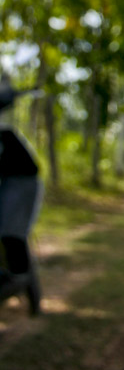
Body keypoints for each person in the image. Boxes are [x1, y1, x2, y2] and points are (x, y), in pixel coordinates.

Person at [0, 76, 43, 315]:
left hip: (22, 182)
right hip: (9, 181)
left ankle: (21, 284)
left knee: (11, 234)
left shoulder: (6, 137)